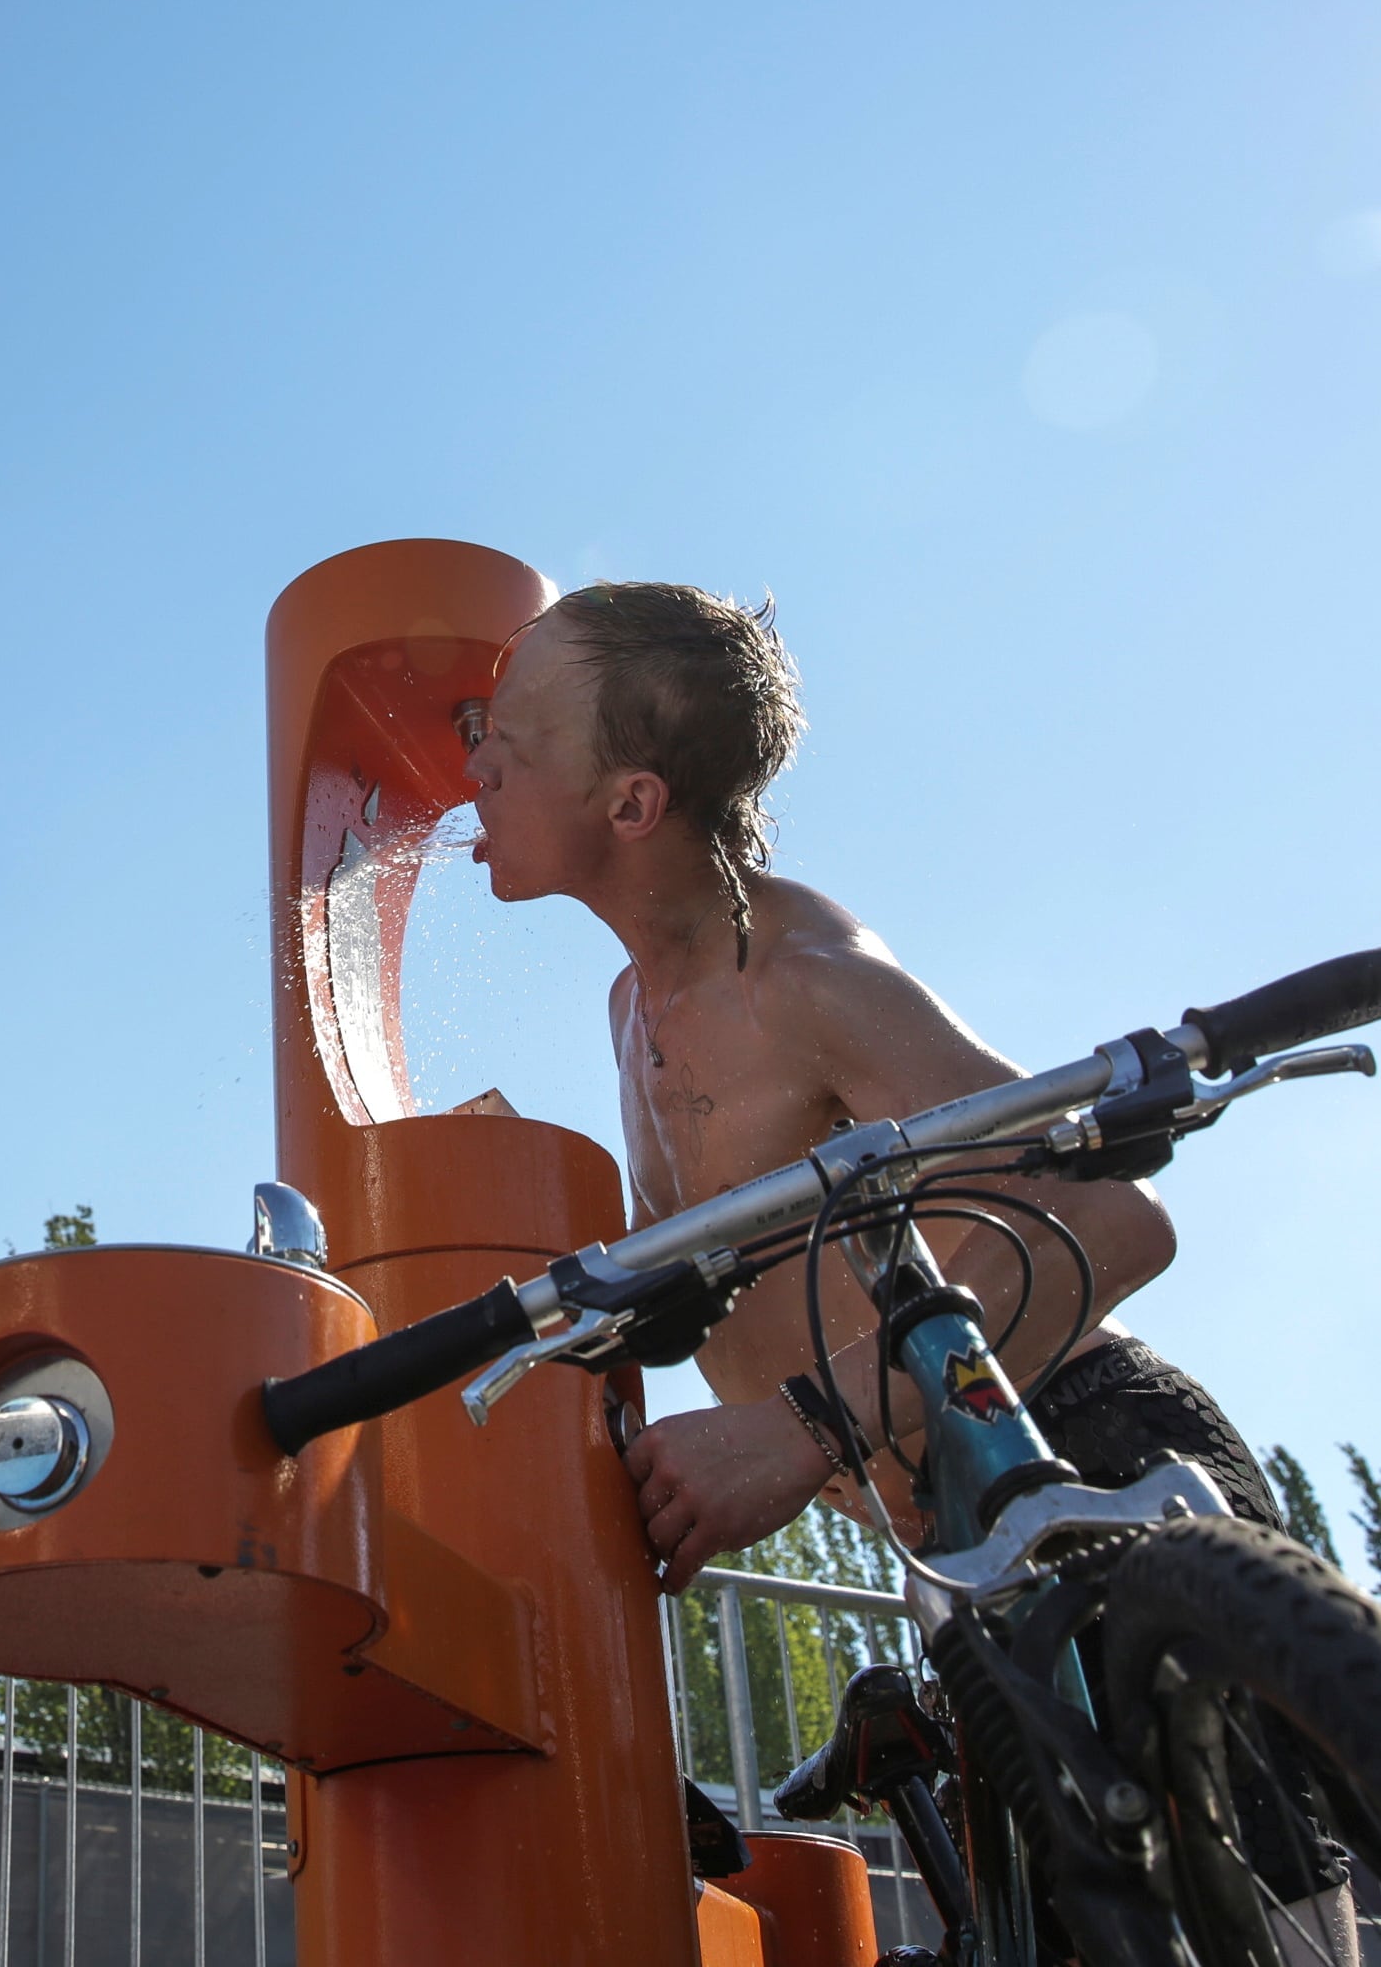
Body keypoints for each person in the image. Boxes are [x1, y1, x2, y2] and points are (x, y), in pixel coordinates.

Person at [463, 580, 1285, 1592]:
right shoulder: (634, 1006)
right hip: (948, 1533)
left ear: (632, 802)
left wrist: (798, 1429)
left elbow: (1111, 1214)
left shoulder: (803, 981)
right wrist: (506, 1211)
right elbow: (708, 1305)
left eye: (510, 740)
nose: (475, 767)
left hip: (1090, 1446)